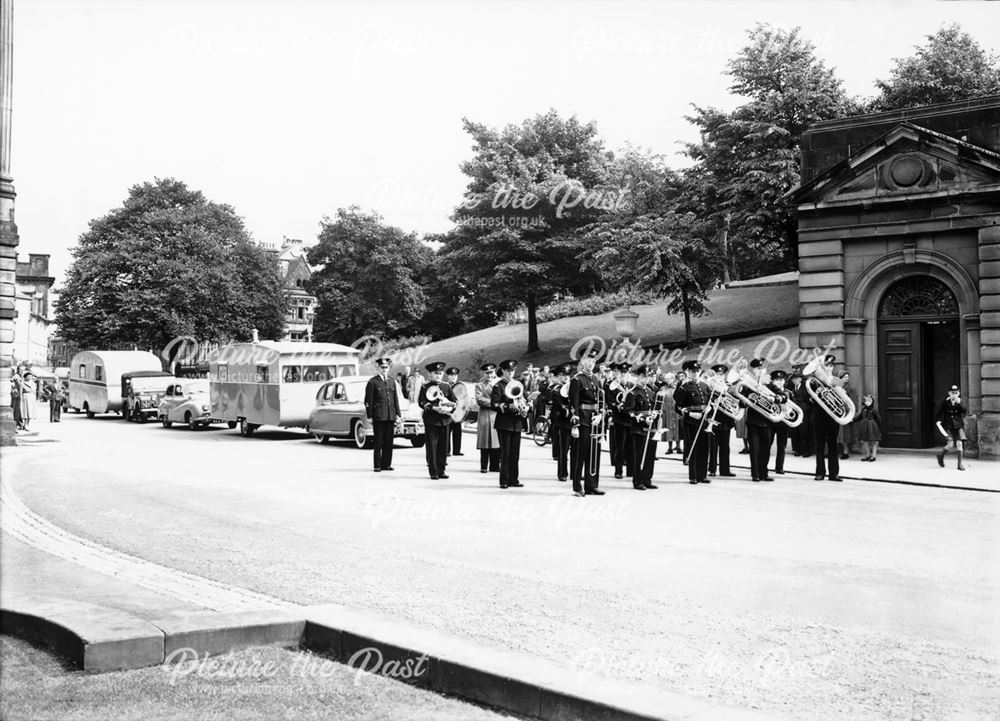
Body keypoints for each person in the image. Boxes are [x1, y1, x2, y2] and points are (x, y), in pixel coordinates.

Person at [568, 350, 605, 497]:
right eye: (588, 360)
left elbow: (601, 400)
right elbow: (573, 403)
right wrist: (576, 423)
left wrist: (600, 415)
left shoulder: (596, 379)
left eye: (593, 361)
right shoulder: (577, 380)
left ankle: (592, 486)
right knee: (580, 454)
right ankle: (577, 487)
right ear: (583, 362)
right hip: (583, 419)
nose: (591, 363)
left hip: (595, 420)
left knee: (594, 454)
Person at [674, 360, 712, 485]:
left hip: (704, 420)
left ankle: (703, 475)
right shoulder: (683, 388)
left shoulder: (704, 386)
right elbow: (678, 407)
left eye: (697, 371)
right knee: (693, 448)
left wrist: (710, 408)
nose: (696, 373)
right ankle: (693, 476)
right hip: (691, 421)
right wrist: (690, 414)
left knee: (704, 448)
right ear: (687, 372)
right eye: (692, 371)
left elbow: (710, 401)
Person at [491, 359, 527, 488]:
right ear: (503, 371)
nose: (511, 373)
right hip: (504, 422)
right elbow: (494, 404)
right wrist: (508, 406)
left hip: (516, 422)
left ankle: (514, 479)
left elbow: (523, 398)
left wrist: (525, 406)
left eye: (513, 371)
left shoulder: (517, 384)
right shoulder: (498, 386)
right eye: (508, 371)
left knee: (515, 453)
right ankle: (504, 480)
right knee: (505, 453)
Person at [418, 362, 457, 480]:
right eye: (436, 373)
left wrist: (449, 408)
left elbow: (455, 401)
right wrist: (433, 408)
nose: (438, 375)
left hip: (445, 420)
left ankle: (441, 470)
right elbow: (421, 402)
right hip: (431, 420)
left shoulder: (446, 386)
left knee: (443, 447)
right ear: (430, 374)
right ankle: (433, 471)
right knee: (432, 446)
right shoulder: (425, 386)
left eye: (440, 373)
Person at [624, 365, 660, 490]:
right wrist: (643, 419)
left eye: (647, 376)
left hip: (651, 426)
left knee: (650, 454)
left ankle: (647, 479)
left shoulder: (650, 392)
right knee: (639, 455)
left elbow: (654, 407)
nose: (645, 379)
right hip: (639, 428)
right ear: (637, 377)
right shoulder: (633, 392)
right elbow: (628, 411)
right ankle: (638, 480)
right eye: (643, 376)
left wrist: (655, 414)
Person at [364, 357, 402, 473]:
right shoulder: (372, 382)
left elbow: (395, 399)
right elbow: (368, 400)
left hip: (390, 415)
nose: (384, 369)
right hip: (379, 416)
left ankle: (386, 464)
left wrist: (398, 414)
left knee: (389, 442)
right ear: (378, 368)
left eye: (386, 367)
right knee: (378, 441)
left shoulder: (391, 381)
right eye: (382, 367)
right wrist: (369, 416)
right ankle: (377, 465)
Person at [810, 354, 843, 482]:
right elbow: (809, 399)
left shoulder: (836, 380)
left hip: (833, 417)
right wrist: (814, 398)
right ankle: (820, 473)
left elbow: (842, 398)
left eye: (830, 365)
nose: (828, 368)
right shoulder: (814, 382)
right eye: (826, 365)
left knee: (833, 446)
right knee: (819, 446)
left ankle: (834, 474)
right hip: (819, 417)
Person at [743, 359, 774, 482]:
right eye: (758, 369)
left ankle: (764, 473)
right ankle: (755, 474)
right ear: (753, 370)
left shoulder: (769, 384)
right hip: (753, 422)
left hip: (767, 421)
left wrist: (775, 397)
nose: (761, 371)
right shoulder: (748, 385)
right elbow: (742, 401)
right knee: (754, 449)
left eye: (763, 369)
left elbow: (781, 395)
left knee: (766, 449)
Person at [707, 364, 735, 478]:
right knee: (713, 446)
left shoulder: (728, 387)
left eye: (722, 374)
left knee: (725, 446)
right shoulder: (709, 387)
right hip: (714, 419)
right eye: (718, 374)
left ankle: (725, 470)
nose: (721, 376)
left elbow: (734, 402)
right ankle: (712, 469)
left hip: (726, 420)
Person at [606, 363, 633, 479]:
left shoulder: (631, 385)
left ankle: (631, 471)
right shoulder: (612, 385)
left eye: (625, 373)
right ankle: (618, 471)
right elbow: (610, 400)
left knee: (631, 447)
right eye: (622, 373)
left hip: (630, 419)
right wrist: (619, 404)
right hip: (619, 419)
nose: (623, 375)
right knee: (619, 446)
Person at [548, 363, 573, 482]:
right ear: (558, 376)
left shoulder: (574, 387)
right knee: (564, 449)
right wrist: (567, 409)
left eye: (568, 375)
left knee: (576, 449)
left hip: (573, 422)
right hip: (562, 422)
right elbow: (559, 403)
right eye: (563, 375)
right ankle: (562, 473)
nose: (566, 377)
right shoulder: (556, 389)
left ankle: (575, 472)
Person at [475, 363, 501, 473]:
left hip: (496, 415)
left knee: (496, 441)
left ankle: (495, 466)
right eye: (487, 373)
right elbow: (479, 399)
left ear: (494, 372)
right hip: (485, 416)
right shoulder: (479, 385)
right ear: (484, 374)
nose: (489, 375)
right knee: (485, 441)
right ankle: (484, 466)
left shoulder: (499, 383)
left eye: (491, 373)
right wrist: (495, 403)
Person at [935, 385, 968, 471]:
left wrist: (959, 404)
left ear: (959, 393)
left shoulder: (960, 401)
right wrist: (938, 421)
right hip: (949, 425)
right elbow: (939, 412)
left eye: (956, 393)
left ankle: (959, 464)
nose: (954, 395)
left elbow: (964, 411)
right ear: (949, 393)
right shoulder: (945, 402)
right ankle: (941, 456)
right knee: (950, 444)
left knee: (959, 444)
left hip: (958, 425)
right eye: (952, 393)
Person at [767, 369, 791, 475]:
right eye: (777, 380)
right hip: (771, 421)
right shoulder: (769, 392)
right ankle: (764, 466)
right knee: (767, 444)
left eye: (781, 379)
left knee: (782, 446)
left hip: (783, 422)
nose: (779, 381)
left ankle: (779, 467)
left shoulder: (789, 393)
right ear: (772, 381)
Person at [837, 371, 858, 459]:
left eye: (847, 377)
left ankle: (846, 451)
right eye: (845, 377)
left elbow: (854, 401)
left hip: (846, 412)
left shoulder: (851, 388)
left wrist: (852, 414)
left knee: (845, 433)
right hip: (837, 412)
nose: (847, 378)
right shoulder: (836, 387)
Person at [853, 394, 881, 462]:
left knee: (874, 441)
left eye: (869, 400)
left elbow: (878, 419)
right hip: (864, 426)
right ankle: (867, 455)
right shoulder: (863, 409)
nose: (868, 402)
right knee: (865, 441)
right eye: (866, 401)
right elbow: (859, 417)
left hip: (872, 426)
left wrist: (878, 427)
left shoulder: (874, 409)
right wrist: (853, 419)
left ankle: (873, 455)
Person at [444, 367, 464, 456]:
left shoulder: (460, 386)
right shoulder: (445, 386)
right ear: (448, 376)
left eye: (455, 375)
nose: (453, 377)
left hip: (458, 412)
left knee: (457, 431)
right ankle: (447, 451)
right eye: (451, 375)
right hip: (448, 412)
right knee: (447, 432)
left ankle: (457, 450)